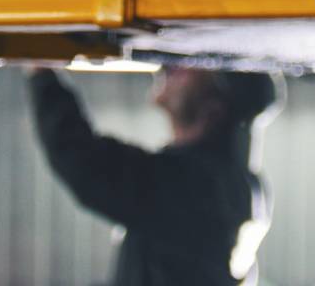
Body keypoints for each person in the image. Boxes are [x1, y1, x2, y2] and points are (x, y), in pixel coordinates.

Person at [29, 67, 279, 286]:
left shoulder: (200, 186)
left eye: (184, 68)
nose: (166, 69)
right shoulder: (237, 185)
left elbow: (83, 159)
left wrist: (42, 71)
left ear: (215, 107)